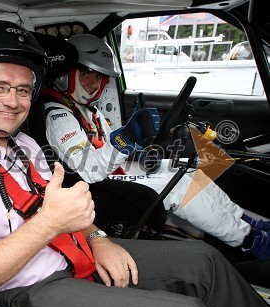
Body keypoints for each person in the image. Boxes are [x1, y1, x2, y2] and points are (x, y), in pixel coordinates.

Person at [0, 20, 270, 307]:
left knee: (205, 264)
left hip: (74, 249)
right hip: (33, 283)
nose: (12, 101)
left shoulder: (26, 144)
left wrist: (97, 240)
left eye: (22, 90)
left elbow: (67, 209)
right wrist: (49, 224)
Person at [43, 33, 269, 257]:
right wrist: (127, 137)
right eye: (86, 75)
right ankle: (247, 239)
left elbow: (108, 147)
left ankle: (242, 219)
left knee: (183, 167)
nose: (93, 84)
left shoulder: (88, 110)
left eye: (99, 77)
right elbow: (89, 170)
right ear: (66, 75)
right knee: (177, 184)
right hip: (94, 186)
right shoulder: (58, 117)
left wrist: (137, 152)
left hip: (110, 172)